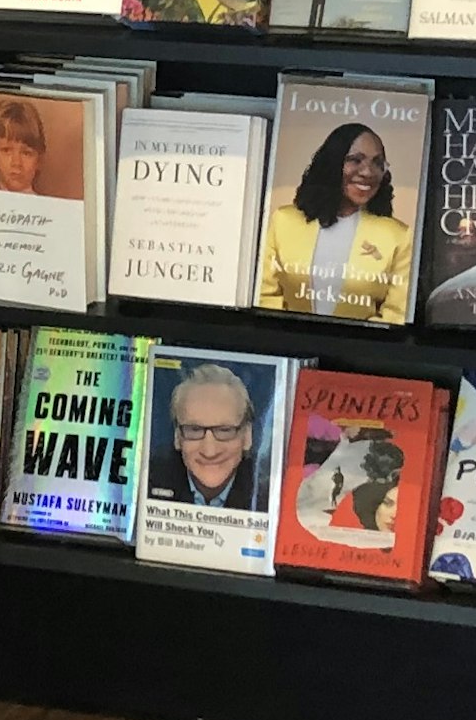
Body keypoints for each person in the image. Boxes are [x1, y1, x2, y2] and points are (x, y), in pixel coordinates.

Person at [258, 120, 414, 321]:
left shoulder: (399, 236)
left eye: (377, 162)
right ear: (332, 163)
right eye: (355, 160)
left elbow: (395, 316)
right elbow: (266, 297)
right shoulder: (283, 221)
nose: (368, 172)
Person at [151, 359, 266, 512]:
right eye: (194, 430)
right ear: (177, 437)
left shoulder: (269, 493)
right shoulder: (147, 481)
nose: (209, 451)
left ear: (247, 436)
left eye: (225, 430)